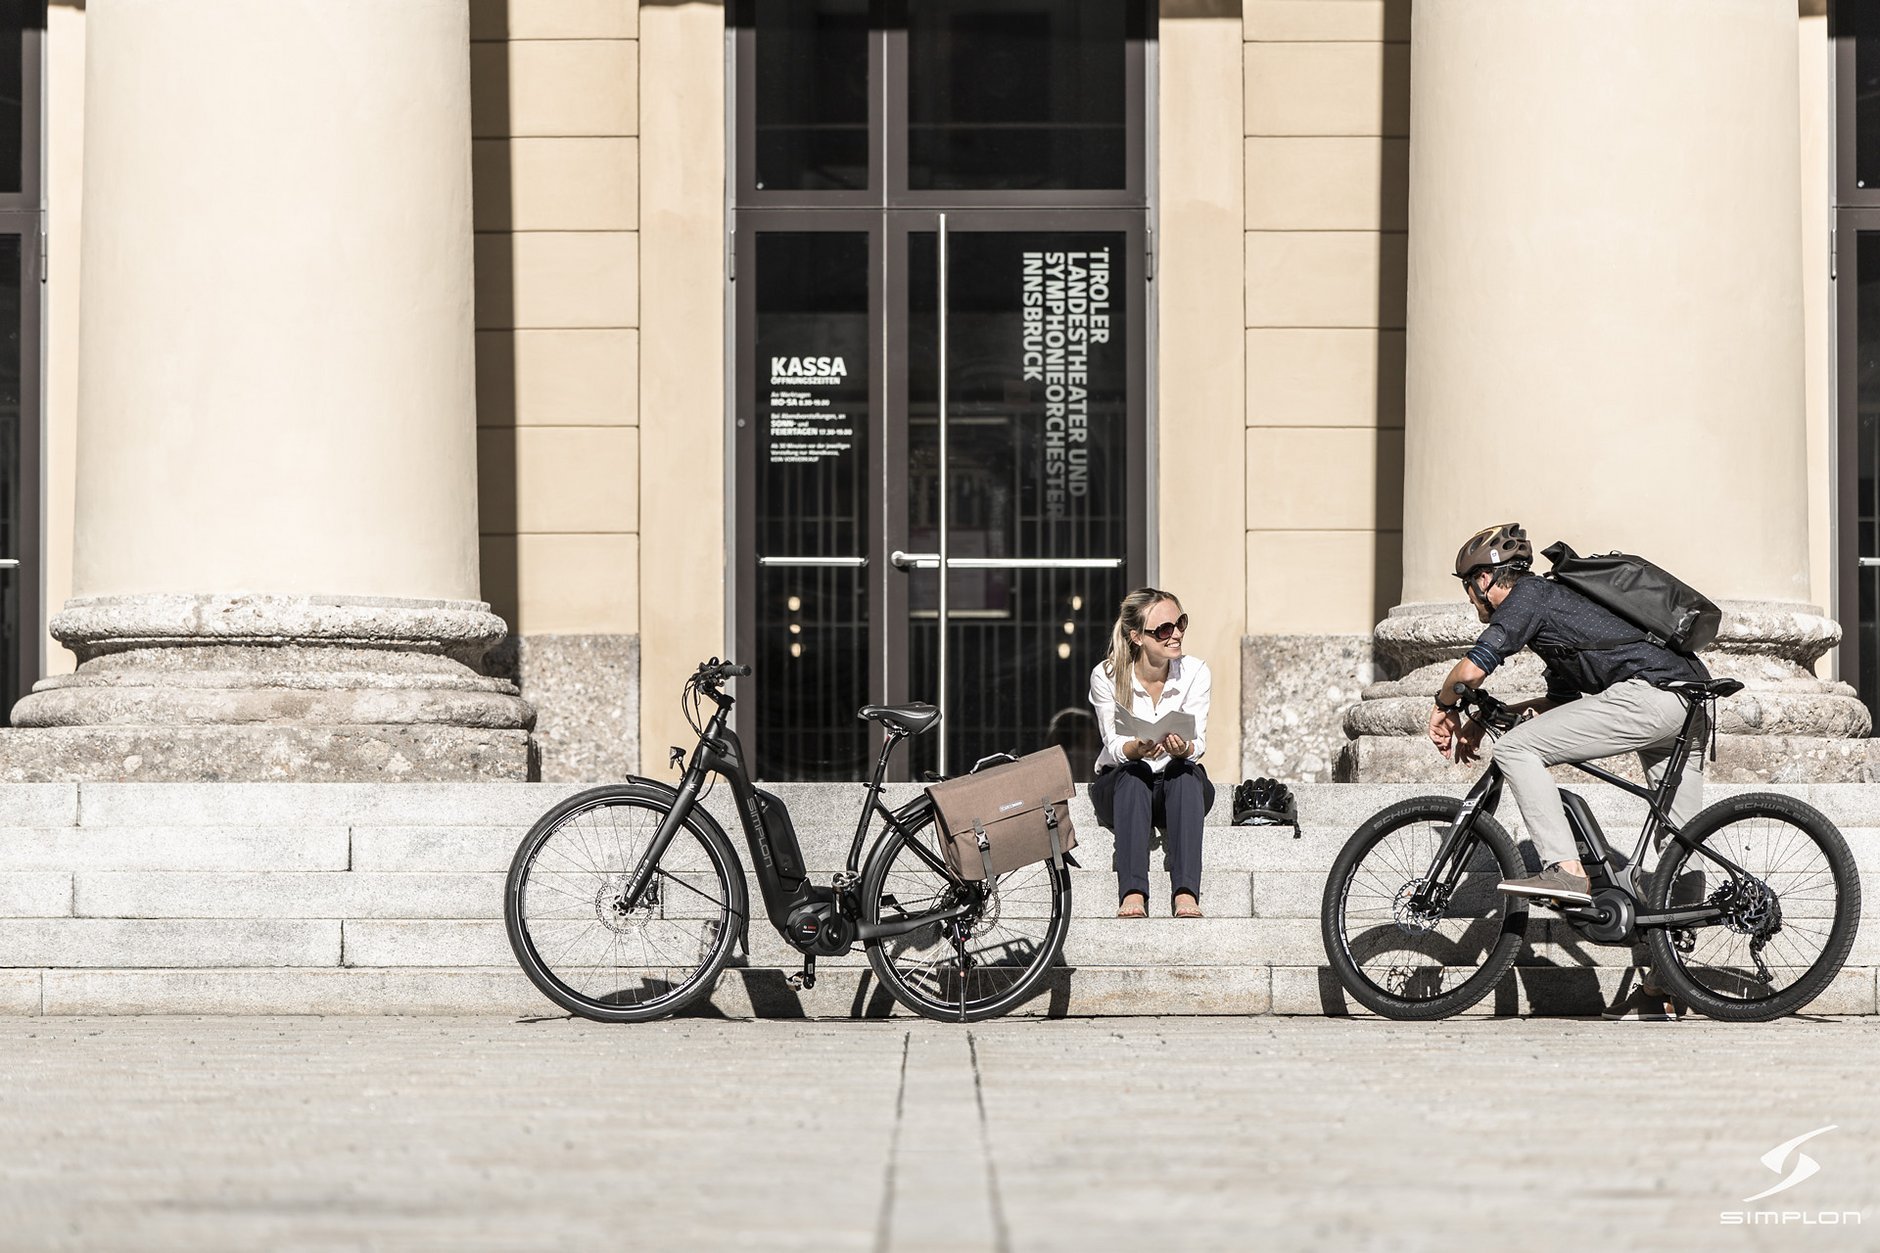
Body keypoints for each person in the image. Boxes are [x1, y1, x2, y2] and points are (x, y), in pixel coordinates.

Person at [1427, 523, 1710, 909]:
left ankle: (1566, 871)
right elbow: (1563, 704)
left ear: (1484, 578)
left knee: (1513, 750)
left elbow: (1472, 671)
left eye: (1468, 587)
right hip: (1689, 699)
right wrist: (1494, 715)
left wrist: (1445, 707)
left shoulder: (1527, 596)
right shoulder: (1557, 605)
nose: (1470, 599)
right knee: (1680, 831)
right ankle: (1684, 914)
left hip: (1650, 696)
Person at [1088, 588, 1214, 919]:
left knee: (1184, 772)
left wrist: (1183, 747)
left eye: (1180, 623)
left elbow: (1197, 742)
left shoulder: (1196, 672)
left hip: (1174, 786)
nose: (1176, 634)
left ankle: (1186, 890)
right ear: (1137, 636)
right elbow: (1114, 745)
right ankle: (1133, 890)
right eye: (1163, 629)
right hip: (1124, 788)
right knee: (1134, 772)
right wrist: (1136, 748)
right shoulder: (1107, 675)